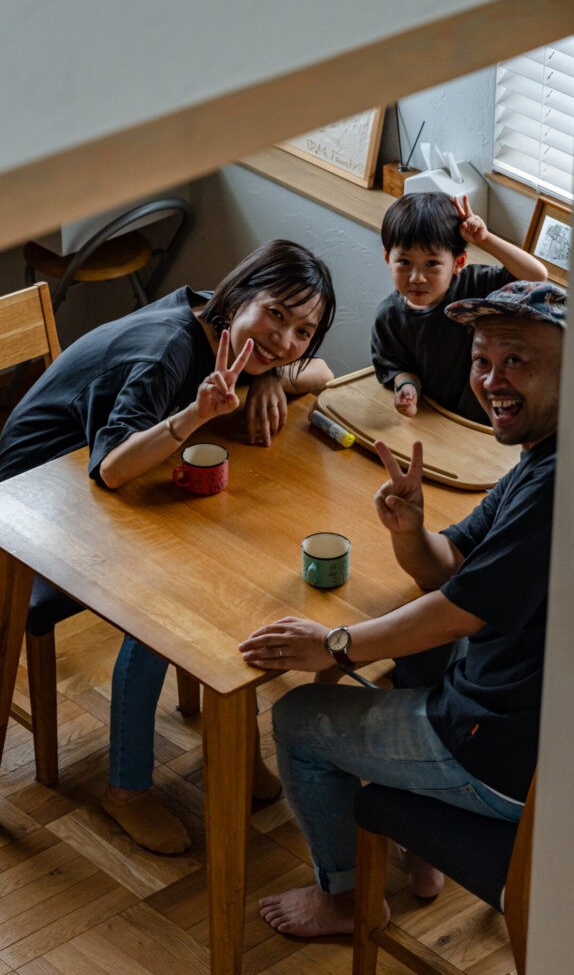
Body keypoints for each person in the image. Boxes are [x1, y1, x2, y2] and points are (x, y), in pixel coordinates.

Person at [239, 280, 566, 937]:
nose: (491, 379)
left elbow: (457, 613)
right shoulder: (545, 458)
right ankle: (421, 857)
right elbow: (449, 568)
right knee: (411, 664)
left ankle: (344, 901)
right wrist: (411, 530)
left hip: (506, 759)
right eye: (481, 360)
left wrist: (334, 644)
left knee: (300, 718)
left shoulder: (562, 481)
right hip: (523, 731)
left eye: (516, 361)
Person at [0, 239, 336, 853]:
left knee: (235, 563)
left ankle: (227, 741)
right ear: (239, 296)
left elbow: (324, 373)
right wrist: (195, 416)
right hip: (31, 507)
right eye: (276, 315)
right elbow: (111, 471)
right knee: (171, 601)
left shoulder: (217, 322)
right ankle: (125, 789)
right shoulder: (167, 350)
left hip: (87, 485)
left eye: (302, 330)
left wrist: (273, 380)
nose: (286, 338)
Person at [371, 192, 548, 423]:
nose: (416, 277)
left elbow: (536, 275)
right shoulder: (389, 317)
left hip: (489, 419)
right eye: (404, 262)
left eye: (432, 264)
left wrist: (485, 240)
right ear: (387, 258)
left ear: (459, 262)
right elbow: (395, 364)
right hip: (434, 418)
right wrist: (407, 386)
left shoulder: (476, 285)